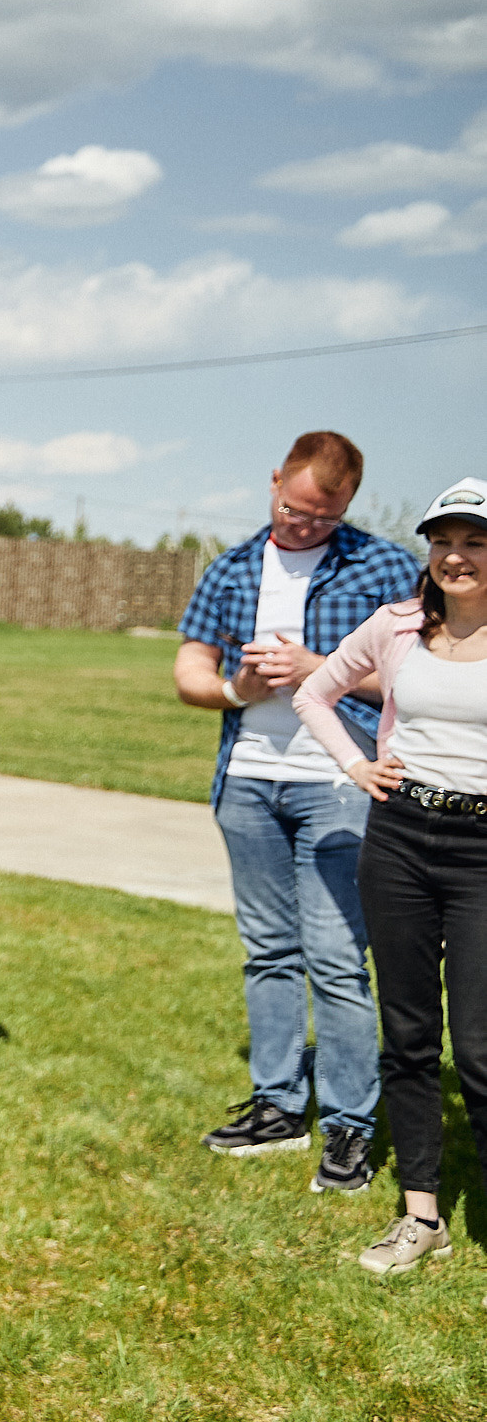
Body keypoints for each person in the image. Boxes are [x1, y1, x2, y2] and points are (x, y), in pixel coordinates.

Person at [173, 431, 419, 1191]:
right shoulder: (233, 565)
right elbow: (190, 671)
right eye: (293, 507)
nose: (304, 525)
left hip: (340, 784)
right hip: (246, 784)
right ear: (275, 479)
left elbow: (425, 676)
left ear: (347, 502)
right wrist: (236, 689)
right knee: (268, 952)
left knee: (339, 962)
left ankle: (349, 1124)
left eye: (322, 515)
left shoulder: (384, 566)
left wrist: (324, 670)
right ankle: (279, 1104)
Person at [293, 479, 487, 1273]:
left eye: (475, 540)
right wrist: (356, 764)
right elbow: (314, 691)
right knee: (408, 1037)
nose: (456, 554)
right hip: (401, 837)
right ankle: (422, 1216)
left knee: (477, 1048)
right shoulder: (396, 626)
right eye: (444, 540)